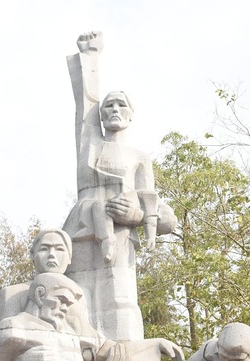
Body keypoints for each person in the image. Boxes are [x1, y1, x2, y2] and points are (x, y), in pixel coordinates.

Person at [64, 31, 178, 342]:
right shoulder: (90, 143)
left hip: (120, 234)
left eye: (120, 105)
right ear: (101, 115)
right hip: (83, 226)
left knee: (120, 293)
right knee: (80, 297)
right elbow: (83, 106)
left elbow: (151, 201)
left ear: (130, 115)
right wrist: (90, 56)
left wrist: (140, 215)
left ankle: (124, 352)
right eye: (109, 105)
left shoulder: (140, 157)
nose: (114, 109)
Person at [0, 228, 185, 361]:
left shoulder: (78, 295)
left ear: (70, 257)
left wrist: (152, 345)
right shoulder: (12, 294)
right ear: (32, 255)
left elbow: (96, 344)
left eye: (59, 249)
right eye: (45, 249)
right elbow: (4, 350)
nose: (52, 255)